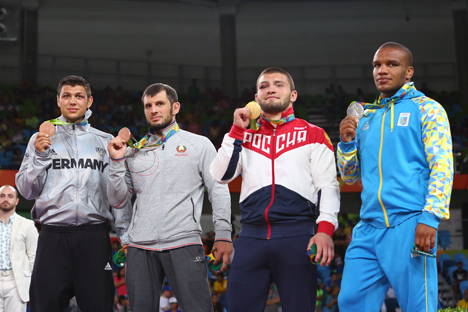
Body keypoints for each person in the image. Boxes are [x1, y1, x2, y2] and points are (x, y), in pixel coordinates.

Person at [210, 67, 340, 311]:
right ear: (256, 98)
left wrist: (325, 230)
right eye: (263, 86)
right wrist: (236, 131)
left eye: (279, 84)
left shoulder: (314, 134)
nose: (270, 88)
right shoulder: (243, 135)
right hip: (250, 238)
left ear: (293, 95)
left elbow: (328, 186)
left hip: (297, 238)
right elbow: (220, 175)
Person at [337, 42, 453, 311]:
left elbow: (443, 166)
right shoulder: (366, 117)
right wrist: (345, 144)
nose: (382, 70)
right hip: (368, 229)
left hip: (410, 224)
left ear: (408, 71)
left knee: (418, 306)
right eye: (377, 65)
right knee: (350, 302)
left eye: (392, 64)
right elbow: (350, 177)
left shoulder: (427, 109)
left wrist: (430, 218)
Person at [107, 83, 232, 312]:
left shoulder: (199, 145)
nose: (154, 109)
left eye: (160, 104)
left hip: (183, 242)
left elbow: (219, 190)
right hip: (139, 247)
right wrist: (116, 162)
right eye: (148, 105)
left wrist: (223, 234)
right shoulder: (133, 151)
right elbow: (118, 199)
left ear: (175, 107)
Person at [15, 75, 116, 312]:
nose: (73, 101)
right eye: (67, 96)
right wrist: (40, 156)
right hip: (52, 237)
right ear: (58, 101)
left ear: (89, 101)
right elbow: (26, 190)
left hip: (95, 237)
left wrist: (125, 234)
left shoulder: (105, 142)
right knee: (45, 306)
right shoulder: (39, 139)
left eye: (79, 96)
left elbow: (117, 194)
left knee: (100, 307)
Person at [0, 185, 38, 311]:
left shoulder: (27, 225)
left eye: (10, 196)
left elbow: (34, 256)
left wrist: (30, 282)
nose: (6, 199)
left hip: (16, 281)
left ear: (16, 201)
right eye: (2, 196)